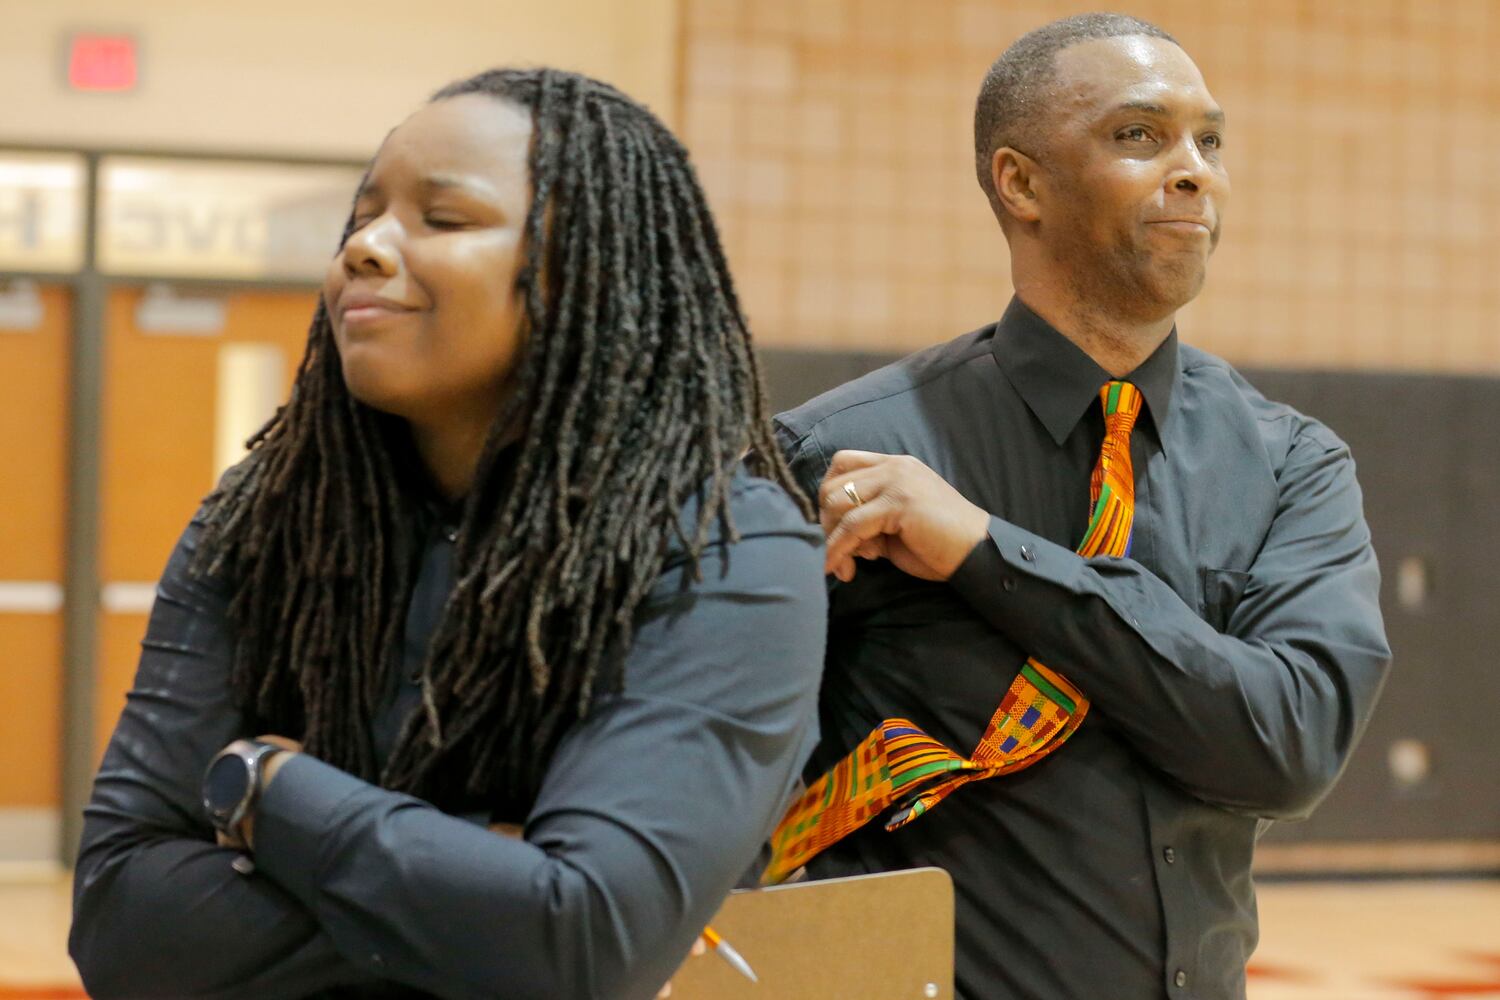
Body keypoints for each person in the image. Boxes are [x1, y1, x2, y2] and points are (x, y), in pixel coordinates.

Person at [69, 67, 826, 1000]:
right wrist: (475, 890)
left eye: (444, 219)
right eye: (363, 215)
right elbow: (116, 921)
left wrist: (266, 790)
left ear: (583, 270)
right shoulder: (263, 520)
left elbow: (579, 940)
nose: (367, 248)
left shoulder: (727, 549)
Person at [771, 13, 1391, 1000]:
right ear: (1021, 183)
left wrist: (988, 554)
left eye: (1209, 141)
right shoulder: (835, 455)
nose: (1194, 172)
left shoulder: (1293, 466)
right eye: (1140, 136)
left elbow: (1290, 747)